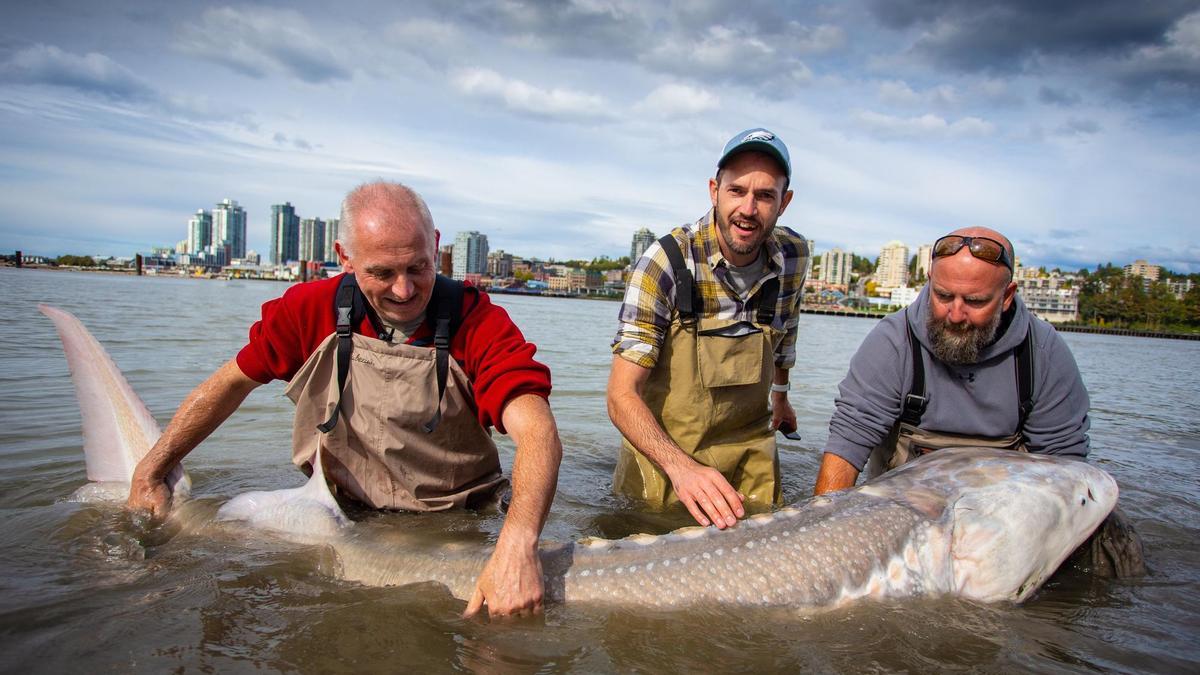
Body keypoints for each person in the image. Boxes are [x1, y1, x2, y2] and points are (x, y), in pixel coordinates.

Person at [127, 181, 564, 617]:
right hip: (336, 510)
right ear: (344, 257)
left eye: (418, 268)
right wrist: (151, 469)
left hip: (454, 516)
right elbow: (228, 387)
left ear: (435, 246)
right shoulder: (308, 309)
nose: (404, 291)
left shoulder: (477, 320)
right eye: (381, 273)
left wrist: (517, 545)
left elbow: (538, 433)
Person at [814, 226, 1145, 577]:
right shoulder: (893, 342)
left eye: (974, 302)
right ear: (929, 282)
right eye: (942, 296)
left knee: (1110, 550)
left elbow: (1064, 474)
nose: (955, 315)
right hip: (905, 512)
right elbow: (847, 445)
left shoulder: (1043, 353)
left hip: (1002, 519)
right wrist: (820, 544)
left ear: (1007, 295)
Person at [607, 128, 810, 530]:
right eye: (737, 191)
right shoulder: (664, 262)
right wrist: (681, 469)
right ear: (714, 190)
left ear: (784, 203)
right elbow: (620, 395)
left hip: (751, 449)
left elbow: (786, 331)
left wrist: (781, 396)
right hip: (666, 456)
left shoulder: (794, 255)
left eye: (765, 195)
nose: (748, 209)